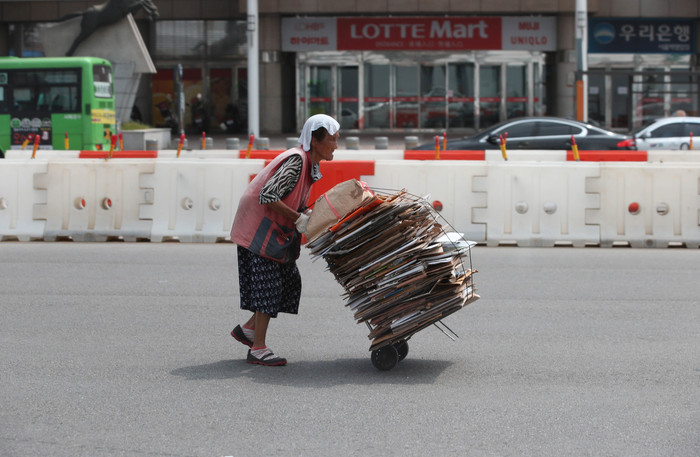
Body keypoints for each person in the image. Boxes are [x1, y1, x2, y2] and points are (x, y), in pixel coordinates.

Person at [229, 114, 340, 366]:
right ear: (314, 140)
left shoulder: (309, 165)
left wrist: (306, 215)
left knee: (288, 281)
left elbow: (293, 197)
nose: (335, 145)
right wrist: (298, 219)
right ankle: (257, 348)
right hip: (258, 230)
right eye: (331, 140)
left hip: (273, 232)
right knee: (269, 287)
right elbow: (269, 195)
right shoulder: (297, 161)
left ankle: (248, 329)